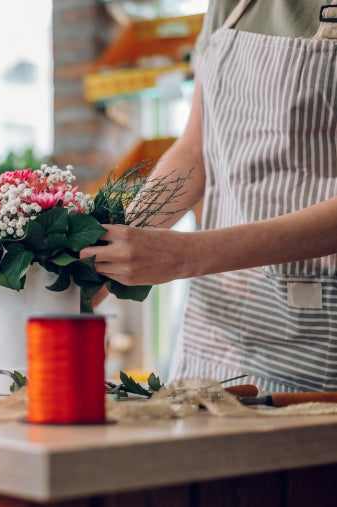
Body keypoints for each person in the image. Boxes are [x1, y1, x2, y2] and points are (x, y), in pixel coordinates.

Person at [80, 0, 337, 393]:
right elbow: (195, 149)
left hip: (319, 333)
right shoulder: (230, 4)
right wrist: (115, 250)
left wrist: (185, 255)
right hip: (220, 327)